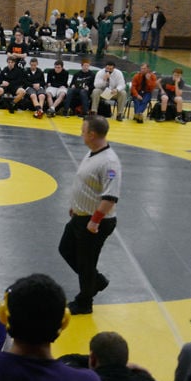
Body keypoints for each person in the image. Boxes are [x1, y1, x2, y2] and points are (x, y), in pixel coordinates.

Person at [60, 115, 120, 315]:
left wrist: (94, 221)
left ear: (92, 135)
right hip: (81, 215)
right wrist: (75, 206)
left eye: (83, 131)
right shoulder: (93, 153)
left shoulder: (110, 163)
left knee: (86, 262)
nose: (81, 134)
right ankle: (96, 281)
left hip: (95, 222)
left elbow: (110, 196)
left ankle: (85, 302)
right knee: (66, 249)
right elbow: (86, 184)